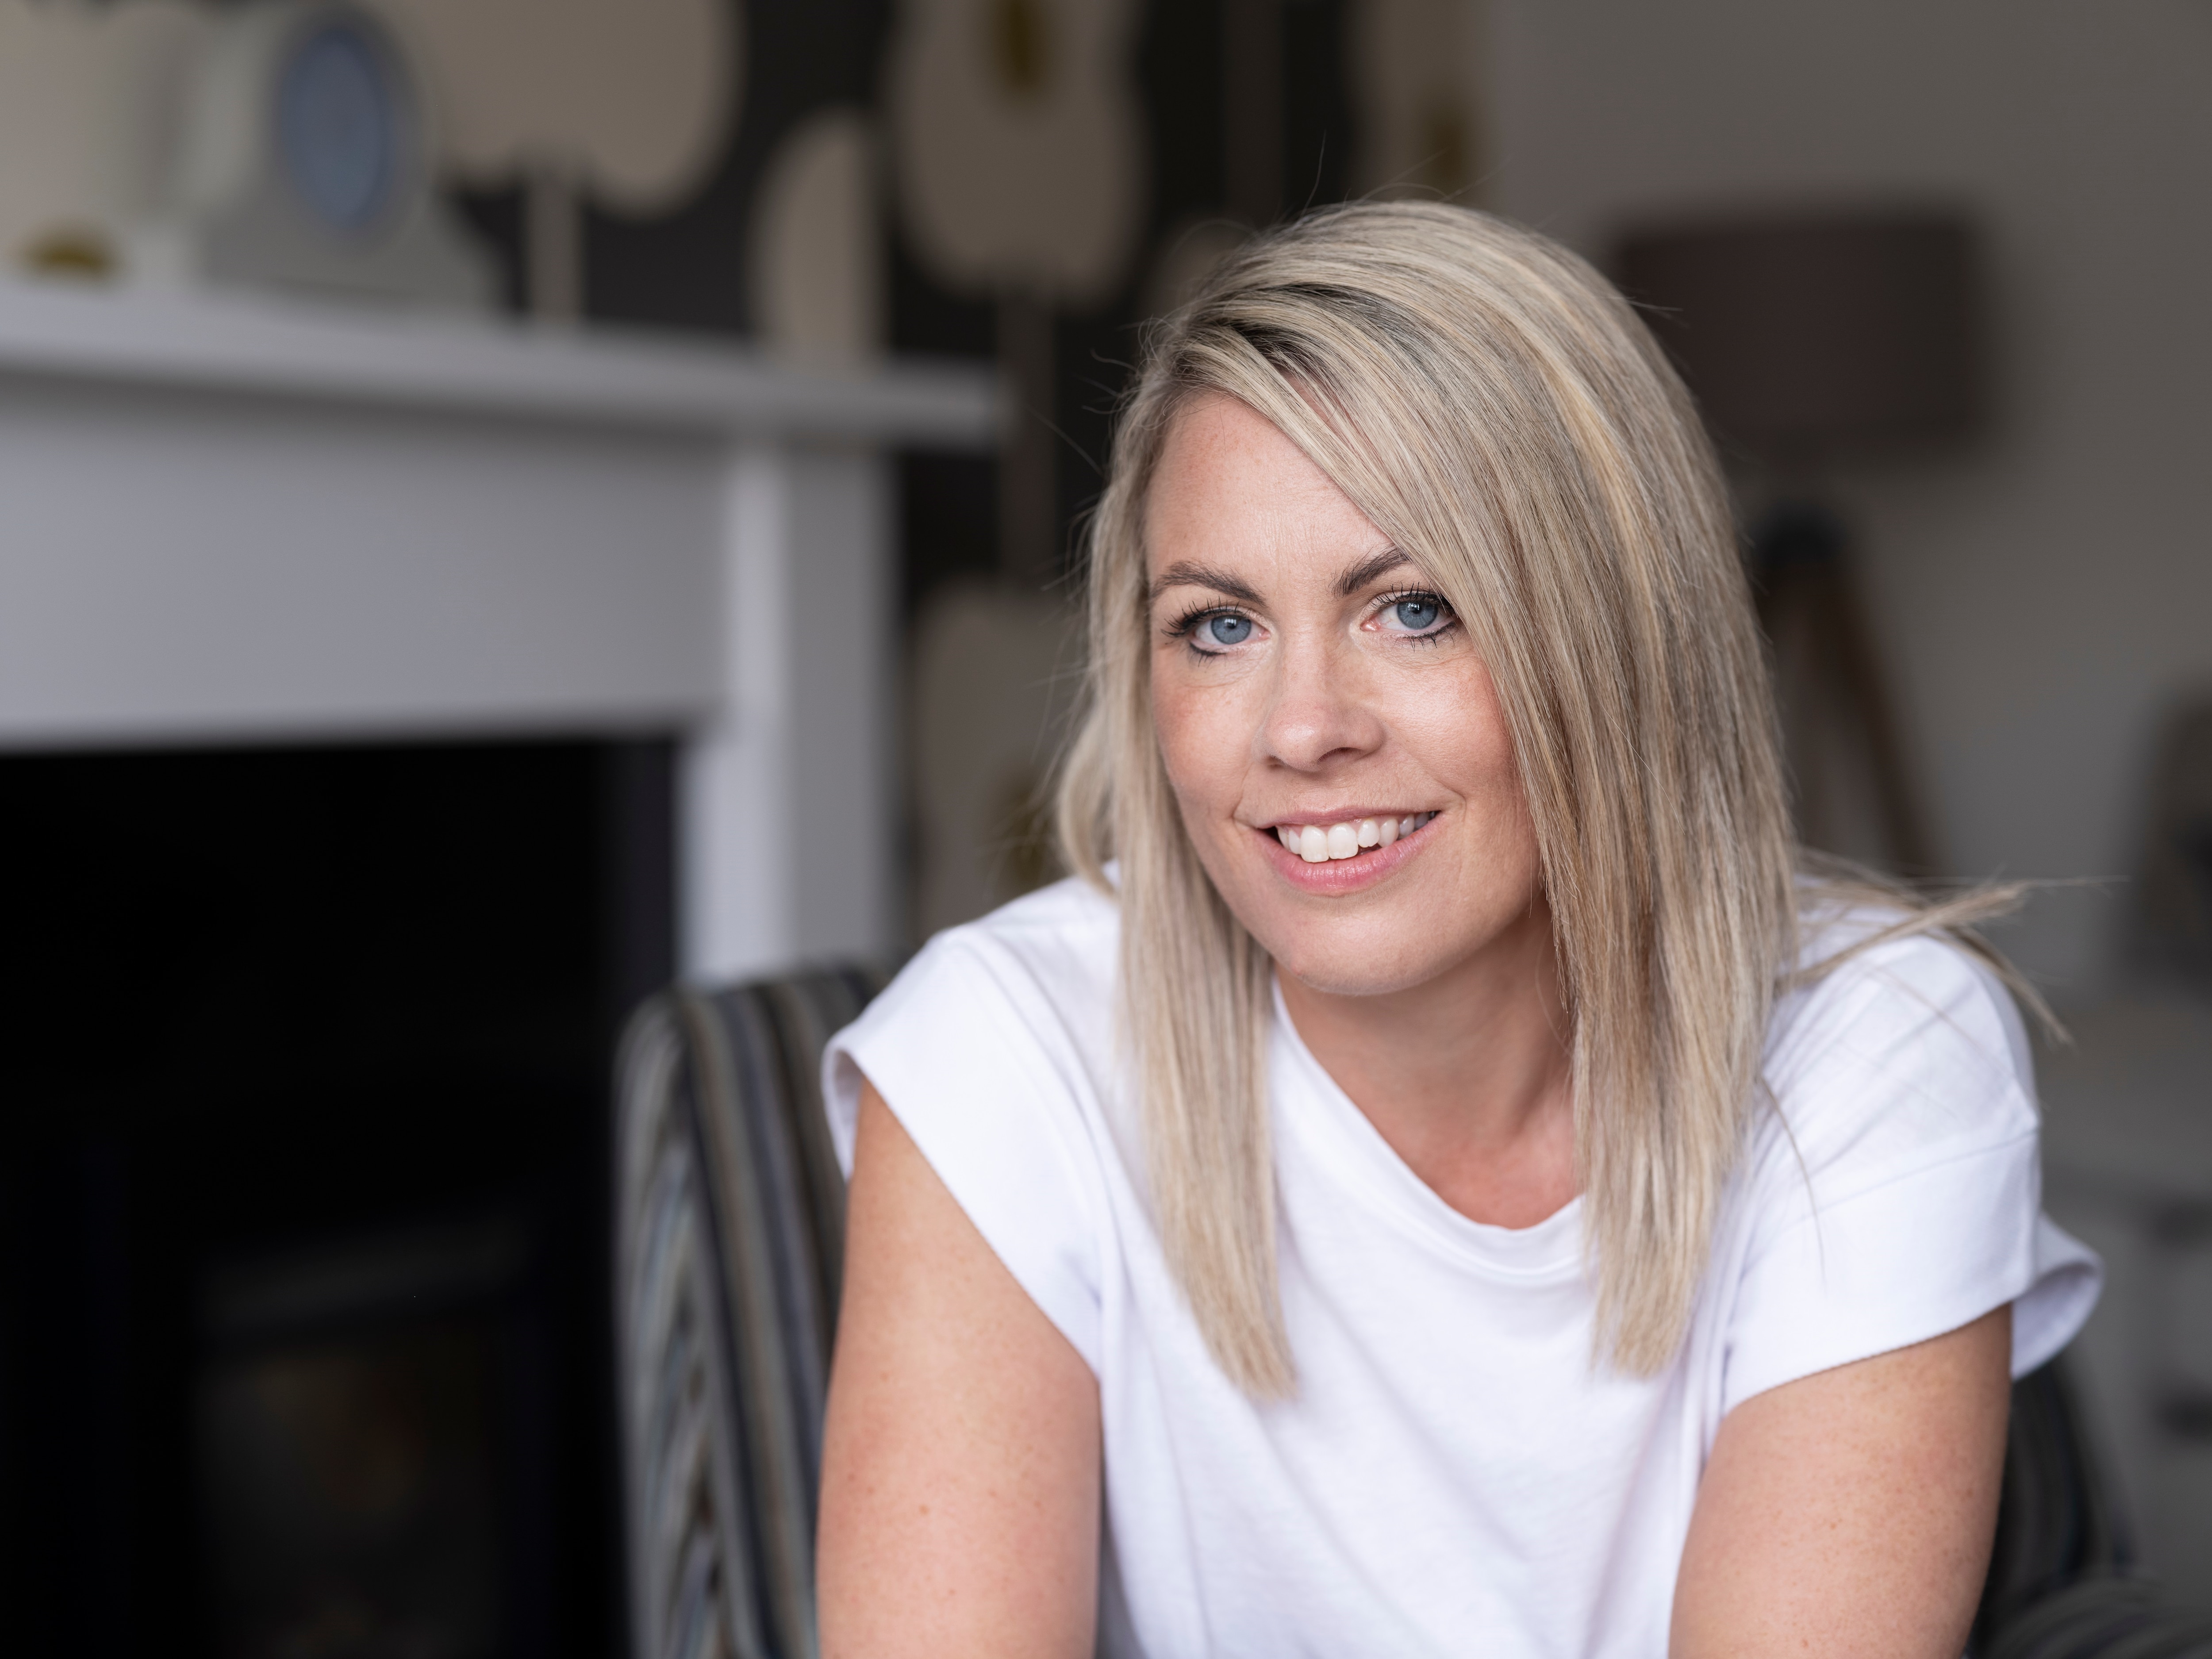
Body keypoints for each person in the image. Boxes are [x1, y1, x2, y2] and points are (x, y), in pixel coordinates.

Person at [814, 202, 2099, 1658]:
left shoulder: (1874, 1049)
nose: (1301, 731)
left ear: (1614, 636)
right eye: (1219, 627)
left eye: (1414, 608)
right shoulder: (1004, 1057)